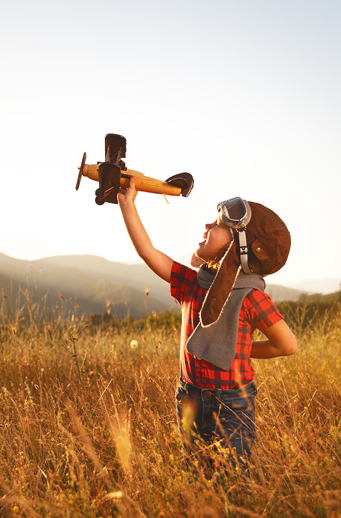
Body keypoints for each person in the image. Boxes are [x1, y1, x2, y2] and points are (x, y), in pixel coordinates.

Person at [117, 181, 297, 471]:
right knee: (195, 477)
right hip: (188, 396)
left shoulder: (251, 296)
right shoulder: (192, 282)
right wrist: (128, 204)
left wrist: (244, 351)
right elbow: (148, 252)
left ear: (240, 245)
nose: (206, 225)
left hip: (232, 406)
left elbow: (287, 345)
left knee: (230, 480)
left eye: (216, 225)